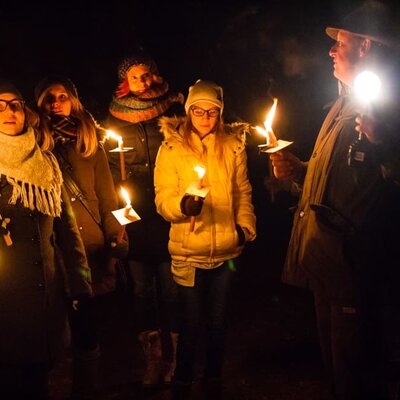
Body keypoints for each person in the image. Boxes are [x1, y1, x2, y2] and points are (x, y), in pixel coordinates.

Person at [270, 2, 400, 399]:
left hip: (355, 265)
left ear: (364, 47)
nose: (330, 51)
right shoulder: (343, 104)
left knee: (358, 374)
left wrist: (384, 145)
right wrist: (300, 171)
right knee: (335, 368)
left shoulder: (391, 108)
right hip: (326, 263)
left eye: (339, 43)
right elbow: (341, 178)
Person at [154, 79, 257, 394]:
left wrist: (243, 228)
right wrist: (183, 206)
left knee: (218, 321)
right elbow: (162, 198)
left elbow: (242, 191)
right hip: (188, 253)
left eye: (212, 111)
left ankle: (213, 377)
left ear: (220, 113)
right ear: (188, 112)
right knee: (189, 323)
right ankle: (183, 378)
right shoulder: (171, 147)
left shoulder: (233, 145)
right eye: (198, 110)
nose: (205, 117)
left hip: (226, 250)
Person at [34, 76, 129, 399]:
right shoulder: (34, 145)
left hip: (88, 249)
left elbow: (108, 199)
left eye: (63, 96)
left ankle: (84, 389)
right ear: (40, 105)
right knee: (48, 327)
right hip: (50, 250)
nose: (57, 102)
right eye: (50, 98)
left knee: (86, 324)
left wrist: (117, 241)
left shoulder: (91, 146)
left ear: (74, 102)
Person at [0, 80, 92, 399]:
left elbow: (67, 230)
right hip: (5, 302)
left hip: (43, 299)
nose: (8, 111)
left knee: (38, 382)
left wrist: (80, 286)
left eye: (15, 105)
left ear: (26, 113)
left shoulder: (46, 164)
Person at [103, 50, 184, 387]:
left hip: (169, 214)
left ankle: (175, 358)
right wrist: (122, 218)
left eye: (147, 74)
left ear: (156, 73)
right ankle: (150, 360)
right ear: (125, 82)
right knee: (141, 293)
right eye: (135, 76)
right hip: (136, 220)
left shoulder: (175, 110)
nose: (143, 81)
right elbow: (109, 173)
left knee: (171, 291)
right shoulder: (114, 120)